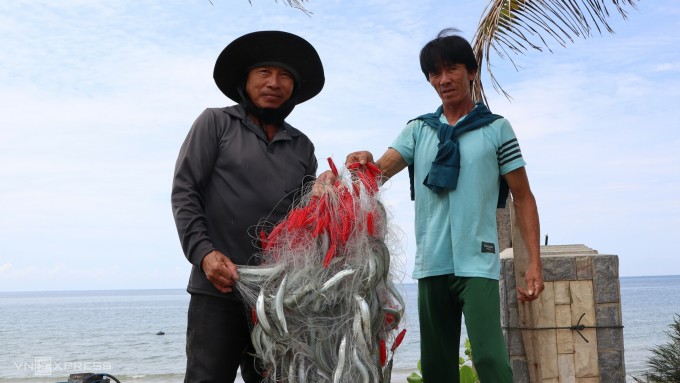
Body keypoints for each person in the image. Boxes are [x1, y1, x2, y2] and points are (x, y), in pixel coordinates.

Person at [342, 28, 544, 382]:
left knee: (491, 360)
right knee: (437, 368)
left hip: (478, 263)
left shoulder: (497, 129)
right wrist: (366, 160)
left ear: (471, 72)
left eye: (452, 69)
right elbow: (376, 175)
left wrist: (533, 264)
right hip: (432, 263)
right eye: (435, 73)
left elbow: (523, 197)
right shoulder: (419, 130)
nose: (443, 79)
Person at [171, 30, 324, 383]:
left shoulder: (303, 147)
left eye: (285, 76)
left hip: (278, 299)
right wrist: (205, 254)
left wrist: (324, 192)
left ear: (294, 89)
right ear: (246, 80)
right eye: (264, 73)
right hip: (217, 288)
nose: (274, 83)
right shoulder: (215, 123)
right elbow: (185, 191)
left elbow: (304, 221)